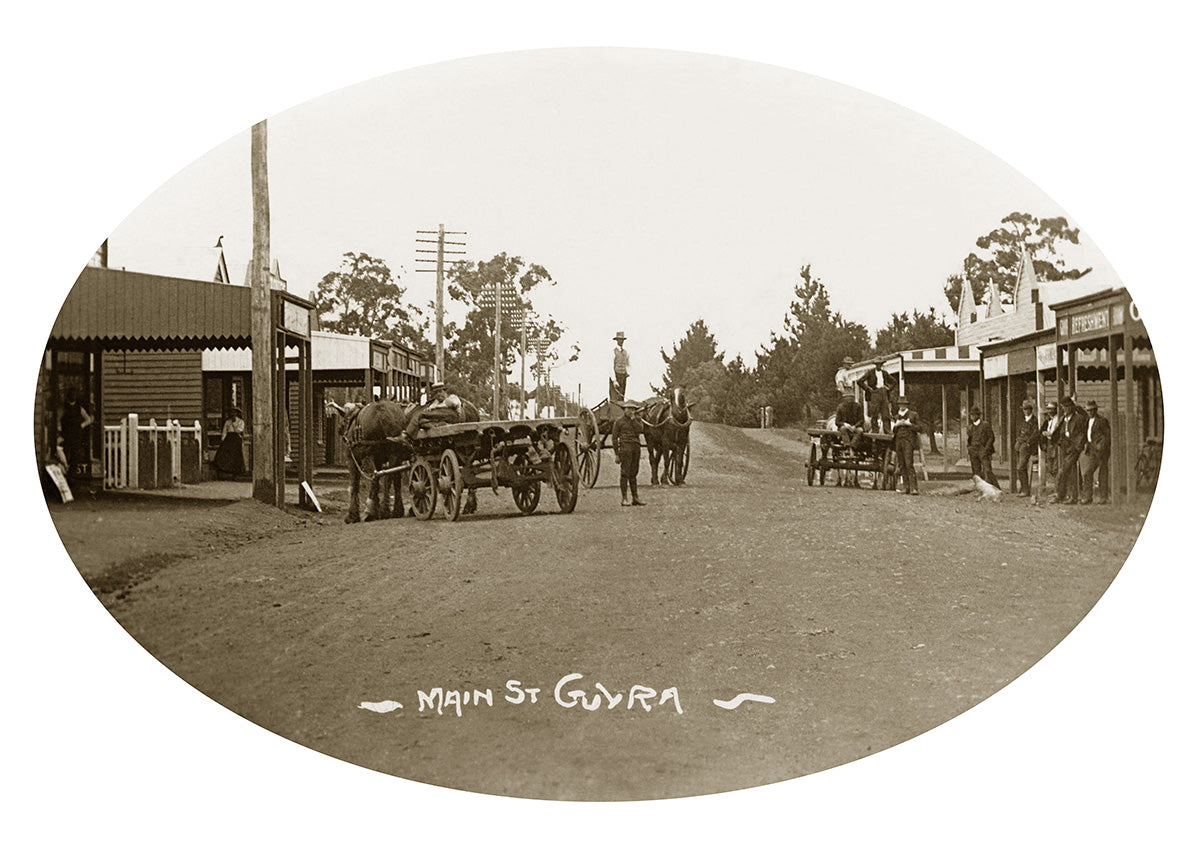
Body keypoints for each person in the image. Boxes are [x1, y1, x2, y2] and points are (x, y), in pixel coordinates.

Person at [611, 399, 646, 506]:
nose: (630, 411)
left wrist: (634, 420)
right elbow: (614, 438)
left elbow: (640, 430)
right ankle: (624, 498)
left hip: (636, 447)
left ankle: (635, 498)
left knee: (634, 473)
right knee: (625, 473)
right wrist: (617, 454)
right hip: (625, 448)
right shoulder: (619, 421)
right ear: (624, 409)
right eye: (628, 408)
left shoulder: (637, 420)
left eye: (632, 409)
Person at [1054, 397, 1087, 505]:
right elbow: (1060, 432)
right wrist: (1060, 442)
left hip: (1073, 449)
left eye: (1067, 407)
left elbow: (1081, 434)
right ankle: (1071, 497)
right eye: (1064, 407)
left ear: (1071, 407)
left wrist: (1077, 447)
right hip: (1065, 448)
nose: (1065, 409)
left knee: (1062, 471)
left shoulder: (1078, 419)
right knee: (1071, 472)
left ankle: (1061, 495)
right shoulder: (1063, 419)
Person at [1079, 399, 1111, 505]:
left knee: (1102, 474)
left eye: (1092, 410)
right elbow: (1087, 436)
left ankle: (1103, 497)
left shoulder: (1102, 421)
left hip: (1101, 451)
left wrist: (1102, 447)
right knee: (1087, 473)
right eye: (1088, 410)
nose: (1090, 412)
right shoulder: (1087, 421)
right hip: (1092, 450)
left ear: (1096, 410)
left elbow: (1107, 436)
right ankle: (1088, 497)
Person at [891, 395, 921, 495]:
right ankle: (906, 487)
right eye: (900, 404)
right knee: (901, 464)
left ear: (906, 405)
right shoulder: (896, 416)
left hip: (908, 441)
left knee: (909, 464)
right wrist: (897, 425)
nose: (902, 406)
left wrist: (910, 425)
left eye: (903, 404)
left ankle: (914, 488)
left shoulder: (913, 415)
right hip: (898, 441)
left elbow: (919, 428)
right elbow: (893, 431)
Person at [60, 387, 93, 477]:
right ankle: (66, 473)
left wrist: (80, 426)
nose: (72, 396)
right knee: (66, 454)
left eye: (74, 394)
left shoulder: (79, 408)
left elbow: (88, 419)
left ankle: (73, 475)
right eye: (71, 394)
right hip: (66, 434)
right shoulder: (65, 407)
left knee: (75, 455)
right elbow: (60, 419)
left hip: (76, 434)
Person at [857, 361, 896, 434]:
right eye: (878, 364)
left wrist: (889, 388)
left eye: (880, 364)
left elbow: (894, 381)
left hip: (883, 392)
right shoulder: (870, 372)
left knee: (886, 413)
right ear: (875, 365)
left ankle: (887, 430)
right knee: (874, 412)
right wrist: (868, 388)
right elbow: (859, 381)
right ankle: (875, 430)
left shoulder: (884, 373)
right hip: (874, 393)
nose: (879, 366)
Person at [966, 405, 999, 488]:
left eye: (974, 415)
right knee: (976, 472)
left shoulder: (985, 425)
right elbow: (969, 440)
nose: (972, 417)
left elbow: (991, 437)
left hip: (983, 450)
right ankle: (979, 489)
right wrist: (969, 449)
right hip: (973, 450)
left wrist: (986, 449)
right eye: (971, 415)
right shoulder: (970, 427)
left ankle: (995, 487)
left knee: (988, 470)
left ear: (978, 415)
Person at [1013, 399, 1040, 497]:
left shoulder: (1034, 421)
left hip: (1028, 446)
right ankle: (1023, 486)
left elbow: (1035, 434)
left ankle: (1025, 490)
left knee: (1021, 467)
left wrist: (1028, 443)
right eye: (1024, 409)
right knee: (1019, 467)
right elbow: (1019, 432)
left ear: (1031, 410)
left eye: (1027, 409)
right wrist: (1018, 441)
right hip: (1020, 445)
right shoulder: (1023, 420)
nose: (1025, 411)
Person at [213, 407, 246, 478]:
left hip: (236, 438)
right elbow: (225, 431)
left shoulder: (240, 421)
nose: (233, 414)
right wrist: (223, 439)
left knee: (236, 456)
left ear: (237, 413)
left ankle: (236, 473)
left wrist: (234, 424)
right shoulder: (227, 422)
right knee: (223, 454)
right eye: (232, 412)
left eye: (234, 412)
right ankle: (224, 471)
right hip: (229, 439)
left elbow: (239, 430)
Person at [834, 387, 867, 454]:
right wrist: (845, 424)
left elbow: (861, 420)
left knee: (860, 430)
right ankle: (847, 446)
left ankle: (852, 446)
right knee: (843, 429)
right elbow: (837, 422)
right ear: (844, 399)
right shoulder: (840, 407)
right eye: (847, 399)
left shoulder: (858, 406)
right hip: (845, 427)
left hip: (855, 427)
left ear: (853, 399)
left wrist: (855, 426)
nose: (849, 401)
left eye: (851, 399)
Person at [1039, 399, 1061, 481]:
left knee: (1055, 466)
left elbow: (1054, 432)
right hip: (1049, 443)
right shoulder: (1048, 420)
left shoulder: (1057, 419)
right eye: (1049, 409)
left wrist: (1048, 433)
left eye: (1052, 409)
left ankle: (1058, 486)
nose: (1050, 411)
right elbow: (1042, 432)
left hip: (1054, 443)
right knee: (1050, 466)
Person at [612, 332, 630, 400]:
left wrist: (627, 372)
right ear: (617, 340)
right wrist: (614, 380)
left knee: (621, 397)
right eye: (619, 339)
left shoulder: (626, 352)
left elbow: (628, 363)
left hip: (623, 376)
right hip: (616, 376)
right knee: (615, 398)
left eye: (622, 340)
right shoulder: (613, 351)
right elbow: (610, 367)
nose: (621, 341)